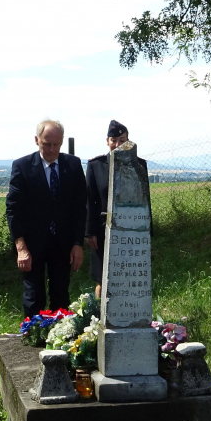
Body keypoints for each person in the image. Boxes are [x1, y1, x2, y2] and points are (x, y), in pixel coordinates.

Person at [7, 120, 87, 317]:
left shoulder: (73, 165)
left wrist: (77, 243)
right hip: (32, 243)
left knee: (61, 293)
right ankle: (34, 335)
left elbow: (79, 208)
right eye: (46, 144)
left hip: (63, 242)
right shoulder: (23, 166)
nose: (51, 149)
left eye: (56, 144)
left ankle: (60, 336)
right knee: (33, 295)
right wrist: (20, 246)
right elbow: (13, 209)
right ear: (36, 141)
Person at [85, 120, 152, 298]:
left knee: (129, 275)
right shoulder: (96, 166)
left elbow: (145, 199)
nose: (117, 145)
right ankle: (99, 319)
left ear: (128, 142)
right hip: (102, 230)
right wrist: (90, 232)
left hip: (131, 228)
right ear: (107, 141)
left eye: (122, 140)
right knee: (102, 278)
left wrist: (148, 230)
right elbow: (90, 200)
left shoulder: (139, 165)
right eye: (113, 140)